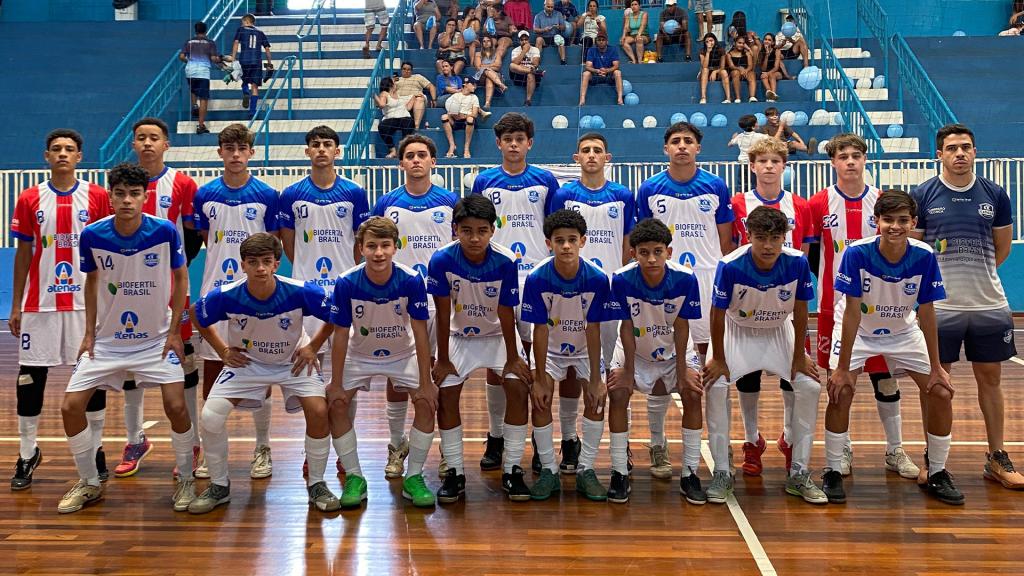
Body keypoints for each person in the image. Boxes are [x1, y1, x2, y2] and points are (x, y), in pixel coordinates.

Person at [57, 163, 193, 514]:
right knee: (70, 407)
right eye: (120, 194)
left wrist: (176, 330)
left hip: (156, 340)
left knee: (177, 407)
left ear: (145, 197)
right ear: (111, 196)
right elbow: (90, 282)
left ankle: (188, 480)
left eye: (134, 194)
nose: (127, 200)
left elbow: (180, 279)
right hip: (107, 342)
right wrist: (89, 333)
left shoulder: (164, 231)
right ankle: (89, 482)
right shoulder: (93, 235)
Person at [826, 190, 963, 505]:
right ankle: (833, 470)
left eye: (903, 220)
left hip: (903, 329)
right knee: (840, 391)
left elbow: (927, 311)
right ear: (876, 222)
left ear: (913, 222)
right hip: (859, 329)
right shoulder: (857, 254)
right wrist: (843, 368)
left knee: (940, 391)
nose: (895, 226)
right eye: (888, 220)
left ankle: (938, 471)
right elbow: (849, 312)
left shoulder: (924, 255)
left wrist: (938, 366)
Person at [188, 233, 338, 514]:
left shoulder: (300, 291)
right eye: (253, 262)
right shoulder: (227, 295)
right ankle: (219, 486)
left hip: (293, 360)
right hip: (249, 364)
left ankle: (317, 483)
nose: (260, 268)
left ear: (276, 264)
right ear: (242, 265)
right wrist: (222, 351)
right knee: (210, 416)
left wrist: (313, 347)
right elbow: (196, 313)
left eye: (266, 262)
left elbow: (335, 313)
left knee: (319, 411)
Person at [910, 124, 1023, 490]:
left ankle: (996, 456)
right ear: (938, 154)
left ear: (975, 152)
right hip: (939, 309)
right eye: (952, 148)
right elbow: (918, 252)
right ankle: (934, 459)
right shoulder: (923, 194)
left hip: (988, 304)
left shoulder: (996, 194)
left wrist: (974, 274)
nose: (960, 154)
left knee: (990, 380)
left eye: (966, 148)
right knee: (937, 383)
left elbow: (1001, 250)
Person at [808, 133, 917, 480]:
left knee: (885, 381)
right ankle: (842, 450)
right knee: (840, 381)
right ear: (833, 162)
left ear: (865, 159)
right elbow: (814, 256)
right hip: (833, 307)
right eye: (844, 156)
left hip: (882, 309)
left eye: (856, 155)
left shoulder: (882, 201)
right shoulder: (818, 203)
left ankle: (895, 449)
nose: (851, 161)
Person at [9, 129, 111, 491]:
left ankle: (96, 449)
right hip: (41, 304)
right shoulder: (29, 198)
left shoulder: (98, 197)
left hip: (87, 305)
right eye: (56, 150)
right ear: (46, 156)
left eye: (69, 149)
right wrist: (16, 303)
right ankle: (26, 452)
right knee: (30, 378)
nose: (63, 154)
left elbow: (107, 251)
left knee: (92, 376)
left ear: (80, 157)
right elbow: (23, 255)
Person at [702, 206, 824, 505]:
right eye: (760, 238)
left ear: (785, 237)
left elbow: (799, 309)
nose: (768, 246)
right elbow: (717, 313)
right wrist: (718, 358)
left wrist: (800, 355)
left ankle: (799, 472)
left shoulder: (797, 263)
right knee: (715, 386)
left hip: (778, 331)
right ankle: (721, 470)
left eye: (775, 238)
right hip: (738, 330)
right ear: (748, 236)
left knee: (809, 386)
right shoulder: (730, 265)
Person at [327, 217, 440, 508]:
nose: (379, 253)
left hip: (403, 354)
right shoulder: (347, 281)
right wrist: (336, 383)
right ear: (361, 248)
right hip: (359, 355)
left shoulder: (411, 279)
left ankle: (414, 476)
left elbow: (420, 329)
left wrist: (426, 382)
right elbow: (340, 334)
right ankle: (355, 477)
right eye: (372, 246)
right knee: (336, 403)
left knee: (427, 402)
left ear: (395, 247)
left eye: (385, 246)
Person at [428, 195, 532, 503]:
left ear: (493, 230)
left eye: (482, 231)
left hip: (497, 335)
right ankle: (455, 472)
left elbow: (505, 311)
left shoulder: (505, 261)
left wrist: (513, 358)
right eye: (467, 230)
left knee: (517, 387)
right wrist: (443, 359)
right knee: (446, 393)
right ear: (455, 229)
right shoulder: (441, 260)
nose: (475, 238)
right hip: (458, 337)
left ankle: (512, 468)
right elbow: (443, 313)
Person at [279, 125, 370, 476]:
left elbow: (358, 244)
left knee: (345, 377)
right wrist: (306, 276)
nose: (321, 150)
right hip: (308, 296)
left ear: (337, 151)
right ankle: (314, 445)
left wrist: (345, 277)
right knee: (310, 373)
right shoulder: (291, 194)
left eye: (327, 145)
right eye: (315, 145)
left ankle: (345, 452)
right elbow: (289, 244)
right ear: (307, 152)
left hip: (344, 293)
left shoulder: (354, 192)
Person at [115, 117, 203, 480]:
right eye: (141, 138)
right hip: (126, 289)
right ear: (133, 144)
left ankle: (193, 441)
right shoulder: (121, 186)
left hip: (169, 289)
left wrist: (171, 269)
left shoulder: (181, 183)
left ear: (167, 144)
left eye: (155, 138)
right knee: (129, 364)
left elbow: (193, 236)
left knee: (185, 361)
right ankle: (135, 440)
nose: (148, 143)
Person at [471, 113, 559, 471]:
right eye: (507, 138)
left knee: (541, 364)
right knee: (497, 363)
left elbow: (554, 229)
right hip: (496, 280)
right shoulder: (484, 180)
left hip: (536, 281)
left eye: (519, 138)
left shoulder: (545, 180)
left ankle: (541, 446)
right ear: (498, 143)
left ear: (529, 143)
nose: (513, 144)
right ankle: (496, 437)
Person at [192, 123, 280, 481]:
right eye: (228, 147)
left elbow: (271, 245)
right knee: (213, 371)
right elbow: (205, 239)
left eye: (241, 147)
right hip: (216, 294)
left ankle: (262, 447)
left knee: (262, 369)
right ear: (220, 152)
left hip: (256, 295)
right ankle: (211, 452)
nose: (235, 154)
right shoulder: (205, 195)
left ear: (251, 152)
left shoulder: (267, 195)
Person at [372, 134, 458, 479]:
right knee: (398, 374)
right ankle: (397, 444)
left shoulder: (450, 201)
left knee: (441, 372)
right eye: (410, 156)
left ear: (433, 162)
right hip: (400, 302)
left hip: (440, 301)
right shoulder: (387, 203)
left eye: (423, 155)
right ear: (401, 163)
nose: (417, 160)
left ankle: (447, 451)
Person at [729, 138, 815, 478]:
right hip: (748, 302)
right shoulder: (739, 202)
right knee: (747, 376)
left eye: (775, 160)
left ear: (784, 166)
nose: (768, 166)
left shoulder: (800, 206)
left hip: (786, 303)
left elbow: (804, 256)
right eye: (762, 160)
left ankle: (790, 436)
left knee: (794, 373)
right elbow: (732, 250)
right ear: (752, 166)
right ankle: (752, 440)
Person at [548, 133, 633, 473]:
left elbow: (628, 244)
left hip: (609, 296)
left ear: (607, 156)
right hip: (570, 293)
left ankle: (619, 445)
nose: (592, 155)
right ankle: (570, 441)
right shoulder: (564, 195)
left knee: (610, 373)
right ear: (576, 157)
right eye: (586, 150)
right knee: (571, 368)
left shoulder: (623, 195)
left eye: (598, 150)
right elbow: (554, 240)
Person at [606, 217, 704, 504]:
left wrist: (684, 370)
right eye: (644, 252)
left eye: (657, 251)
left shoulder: (685, 278)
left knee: (694, 393)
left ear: (669, 252)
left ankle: (689, 472)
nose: (651, 258)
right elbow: (625, 326)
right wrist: (628, 371)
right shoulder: (622, 279)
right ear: (633, 253)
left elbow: (683, 326)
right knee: (618, 391)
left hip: (675, 349)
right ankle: (619, 471)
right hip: (633, 348)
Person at [521, 210, 611, 501]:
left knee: (597, 399)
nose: (566, 246)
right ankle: (549, 470)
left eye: (572, 240)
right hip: (551, 350)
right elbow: (540, 330)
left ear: (583, 241)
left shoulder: (597, 278)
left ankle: (586, 469)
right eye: (560, 241)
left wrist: (597, 378)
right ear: (549, 243)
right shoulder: (537, 278)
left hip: (586, 348)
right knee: (540, 398)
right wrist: (538, 375)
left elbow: (594, 329)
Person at [636, 121, 734, 365]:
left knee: (706, 342)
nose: (682, 147)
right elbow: (645, 237)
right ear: (665, 149)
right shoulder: (649, 188)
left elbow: (725, 238)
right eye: (675, 142)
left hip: (706, 274)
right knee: (665, 338)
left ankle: (706, 392)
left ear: (698, 148)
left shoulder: (716, 185)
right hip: (665, 276)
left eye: (688, 142)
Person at [179, 21, 222, 135]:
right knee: (204, 98)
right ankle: (201, 125)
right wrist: (221, 59)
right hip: (203, 72)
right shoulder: (210, 43)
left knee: (193, 89)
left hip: (190, 71)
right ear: (206, 31)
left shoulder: (189, 41)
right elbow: (213, 58)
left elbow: (182, 56)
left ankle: (194, 105)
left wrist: (189, 61)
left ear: (195, 30)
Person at [230, 13, 273, 118]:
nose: (242, 24)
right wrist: (269, 63)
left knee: (244, 79)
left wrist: (233, 57)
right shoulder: (260, 32)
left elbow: (236, 43)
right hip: (257, 61)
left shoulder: (241, 30)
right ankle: (252, 111)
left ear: (247, 21)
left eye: (243, 22)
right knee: (255, 86)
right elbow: (267, 49)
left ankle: (245, 91)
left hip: (244, 59)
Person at [442, 77, 489, 159]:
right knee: (444, 117)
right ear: (466, 85)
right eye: (473, 85)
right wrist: (455, 115)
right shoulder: (455, 96)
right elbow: (449, 110)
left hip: (467, 121)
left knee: (470, 119)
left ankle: (466, 148)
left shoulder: (474, 97)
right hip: (455, 120)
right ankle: (452, 145)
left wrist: (463, 115)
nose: (475, 87)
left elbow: (474, 114)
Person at [376, 76, 420, 159]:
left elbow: (407, 108)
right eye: (393, 82)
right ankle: (393, 150)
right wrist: (374, 95)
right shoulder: (384, 94)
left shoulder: (398, 94)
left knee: (410, 123)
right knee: (382, 127)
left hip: (404, 116)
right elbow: (381, 105)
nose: (395, 84)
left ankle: (403, 150)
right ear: (390, 85)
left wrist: (413, 97)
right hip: (391, 118)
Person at [579, 32, 623, 106]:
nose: (601, 42)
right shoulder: (591, 50)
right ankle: (582, 99)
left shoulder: (613, 50)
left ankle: (620, 98)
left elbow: (616, 65)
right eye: (599, 40)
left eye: (603, 40)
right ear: (596, 41)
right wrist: (597, 70)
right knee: (585, 74)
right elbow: (588, 66)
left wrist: (606, 70)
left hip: (608, 75)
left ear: (607, 41)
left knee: (618, 72)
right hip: (595, 75)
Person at [394, 61, 436, 130]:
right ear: (401, 70)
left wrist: (434, 99)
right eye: (404, 69)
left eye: (408, 69)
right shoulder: (397, 80)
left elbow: (431, 86)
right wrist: (393, 82)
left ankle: (416, 127)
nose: (406, 71)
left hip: (417, 98)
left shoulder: (417, 77)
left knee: (419, 98)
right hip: (402, 100)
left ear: (411, 71)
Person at [472, 36, 508, 110]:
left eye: (488, 41)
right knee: (485, 70)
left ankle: (487, 103)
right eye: (484, 41)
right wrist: (491, 66)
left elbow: (498, 67)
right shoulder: (478, 54)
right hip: (480, 76)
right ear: (482, 44)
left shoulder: (497, 54)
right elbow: (478, 67)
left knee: (489, 78)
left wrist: (484, 66)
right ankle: (501, 85)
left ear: (491, 43)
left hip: (495, 75)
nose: (486, 43)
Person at [509, 31, 544, 106]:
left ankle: (528, 100)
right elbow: (515, 63)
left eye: (526, 39)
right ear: (519, 41)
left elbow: (535, 64)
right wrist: (524, 51)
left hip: (531, 76)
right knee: (512, 65)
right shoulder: (515, 50)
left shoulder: (535, 49)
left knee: (530, 74)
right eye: (522, 40)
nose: (524, 42)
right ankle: (536, 72)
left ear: (529, 40)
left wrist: (530, 68)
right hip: (518, 76)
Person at [699, 33, 730, 104]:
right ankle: (703, 97)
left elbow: (722, 67)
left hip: (717, 71)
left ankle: (728, 98)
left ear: (715, 40)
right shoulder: (702, 51)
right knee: (705, 70)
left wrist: (715, 72)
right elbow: (704, 66)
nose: (709, 43)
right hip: (705, 72)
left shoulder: (721, 50)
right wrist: (708, 52)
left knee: (724, 72)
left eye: (711, 40)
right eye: (707, 42)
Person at [533, 0, 568, 65]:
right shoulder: (538, 16)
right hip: (544, 38)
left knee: (560, 38)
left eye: (552, 7)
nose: (550, 9)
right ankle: (537, 62)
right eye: (548, 7)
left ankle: (563, 61)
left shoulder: (558, 14)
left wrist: (559, 27)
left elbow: (564, 27)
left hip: (555, 37)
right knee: (538, 39)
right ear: (544, 6)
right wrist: (544, 30)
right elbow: (535, 29)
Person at [725, 35, 758, 103]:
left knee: (752, 74)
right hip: (735, 72)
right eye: (739, 43)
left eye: (743, 43)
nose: (741, 45)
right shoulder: (729, 54)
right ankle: (738, 98)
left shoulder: (747, 53)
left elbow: (750, 66)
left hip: (746, 71)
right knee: (735, 72)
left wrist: (746, 70)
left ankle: (752, 97)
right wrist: (739, 69)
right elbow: (731, 66)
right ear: (735, 43)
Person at [620, 0, 648, 65]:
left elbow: (643, 25)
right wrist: (623, 36)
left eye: (635, 4)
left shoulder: (644, 14)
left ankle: (640, 61)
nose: (633, 6)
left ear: (639, 6)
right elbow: (626, 27)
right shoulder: (628, 16)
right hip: (632, 35)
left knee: (639, 39)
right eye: (632, 5)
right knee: (623, 41)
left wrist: (639, 34)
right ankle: (634, 60)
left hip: (644, 35)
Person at [758, 32, 784, 102]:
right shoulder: (761, 52)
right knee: (763, 76)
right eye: (765, 39)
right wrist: (766, 55)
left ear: (772, 43)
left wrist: (767, 73)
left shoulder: (777, 51)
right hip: (765, 72)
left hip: (777, 72)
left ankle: (772, 94)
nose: (766, 41)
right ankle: (771, 94)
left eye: (769, 40)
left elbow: (776, 67)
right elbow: (763, 69)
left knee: (771, 75)